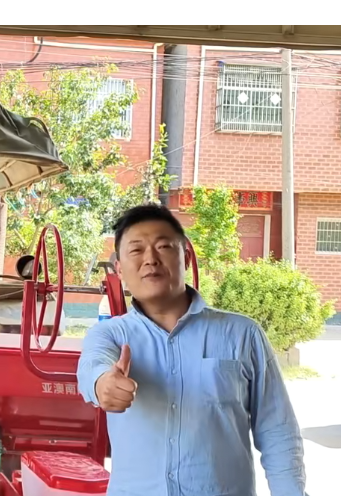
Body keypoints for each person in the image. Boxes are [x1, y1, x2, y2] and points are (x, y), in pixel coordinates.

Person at [77, 204, 306, 496]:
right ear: (119, 269)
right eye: (136, 250)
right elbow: (93, 366)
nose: (150, 259)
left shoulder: (242, 334)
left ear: (185, 257)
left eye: (163, 246)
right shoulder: (110, 334)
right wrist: (103, 384)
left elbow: (278, 431)